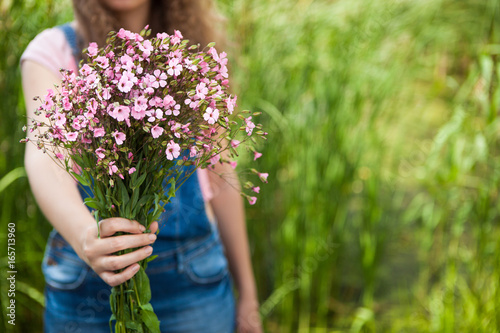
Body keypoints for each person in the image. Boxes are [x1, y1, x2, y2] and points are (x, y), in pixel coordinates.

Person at [20, 0, 263, 332]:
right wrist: (86, 236)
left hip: (194, 286)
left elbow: (220, 171)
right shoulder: (54, 51)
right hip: (84, 288)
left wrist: (248, 295)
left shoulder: (193, 58)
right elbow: (44, 156)